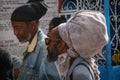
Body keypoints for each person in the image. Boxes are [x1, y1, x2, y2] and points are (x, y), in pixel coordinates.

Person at [45, 10, 109, 80]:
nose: (47, 45)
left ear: (61, 44)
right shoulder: (73, 67)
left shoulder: (80, 74)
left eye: (48, 41)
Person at [10, 1, 60, 80]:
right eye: (13, 28)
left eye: (18, 28)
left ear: (32, 25)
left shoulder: (46, 49)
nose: (15, 33)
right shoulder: (33, 47)